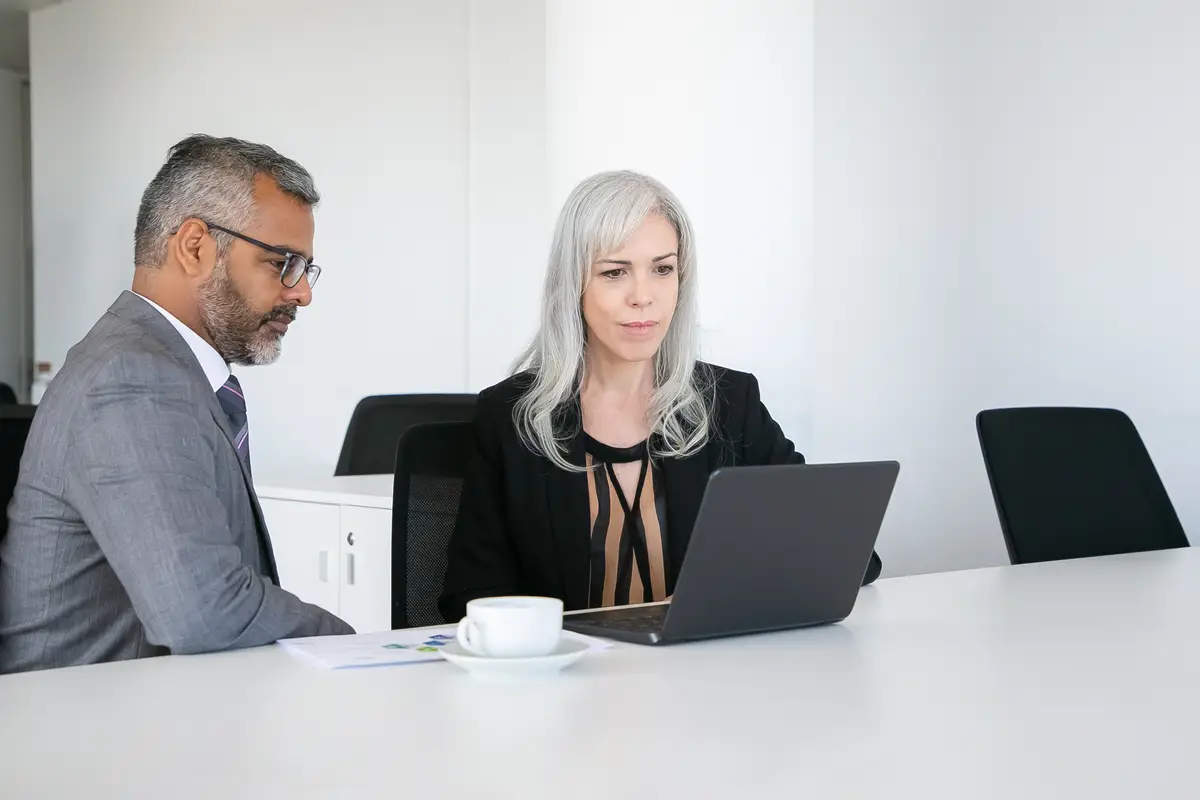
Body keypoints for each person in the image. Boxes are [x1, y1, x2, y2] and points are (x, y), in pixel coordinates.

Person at [439, 170, 882, 621]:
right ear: (573, 283)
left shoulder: (730, 403)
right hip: (567, 680)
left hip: (700, 679)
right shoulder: (510, 417)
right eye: (615, 272)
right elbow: (470, 598)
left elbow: (852, 558)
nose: (643, 296)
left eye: (662, 269)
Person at [0, 135, 354, 673]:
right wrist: (349, 642)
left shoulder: (155, 367)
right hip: (92, 739)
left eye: (305, 268)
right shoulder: (131, 378)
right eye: (284, 263)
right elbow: (204, 611)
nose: (302, 291)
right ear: (194, 247)